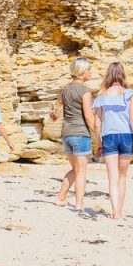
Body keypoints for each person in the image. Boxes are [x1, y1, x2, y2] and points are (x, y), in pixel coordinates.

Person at [92, 62, 133, 220]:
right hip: (126, 136)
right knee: (122, 176)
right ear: (122, 75)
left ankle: (115, 214)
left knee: (112, 177)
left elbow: (96, 122)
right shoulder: (129, 94)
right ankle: (119, 212)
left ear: (108, 76)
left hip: (109, 137)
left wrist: (98, 143)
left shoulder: (101, 97)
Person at [51, 58, 96, 208]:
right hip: (80, 133)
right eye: (89, 69)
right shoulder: (85, 91)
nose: (91, 72)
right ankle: (79, 204)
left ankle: (61, 198)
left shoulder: (66, 89)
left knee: (75, 169)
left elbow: (56, 111)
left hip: (67, 134)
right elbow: (89, 116)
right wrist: (98, 134)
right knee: (81, 171)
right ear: (82, 73)